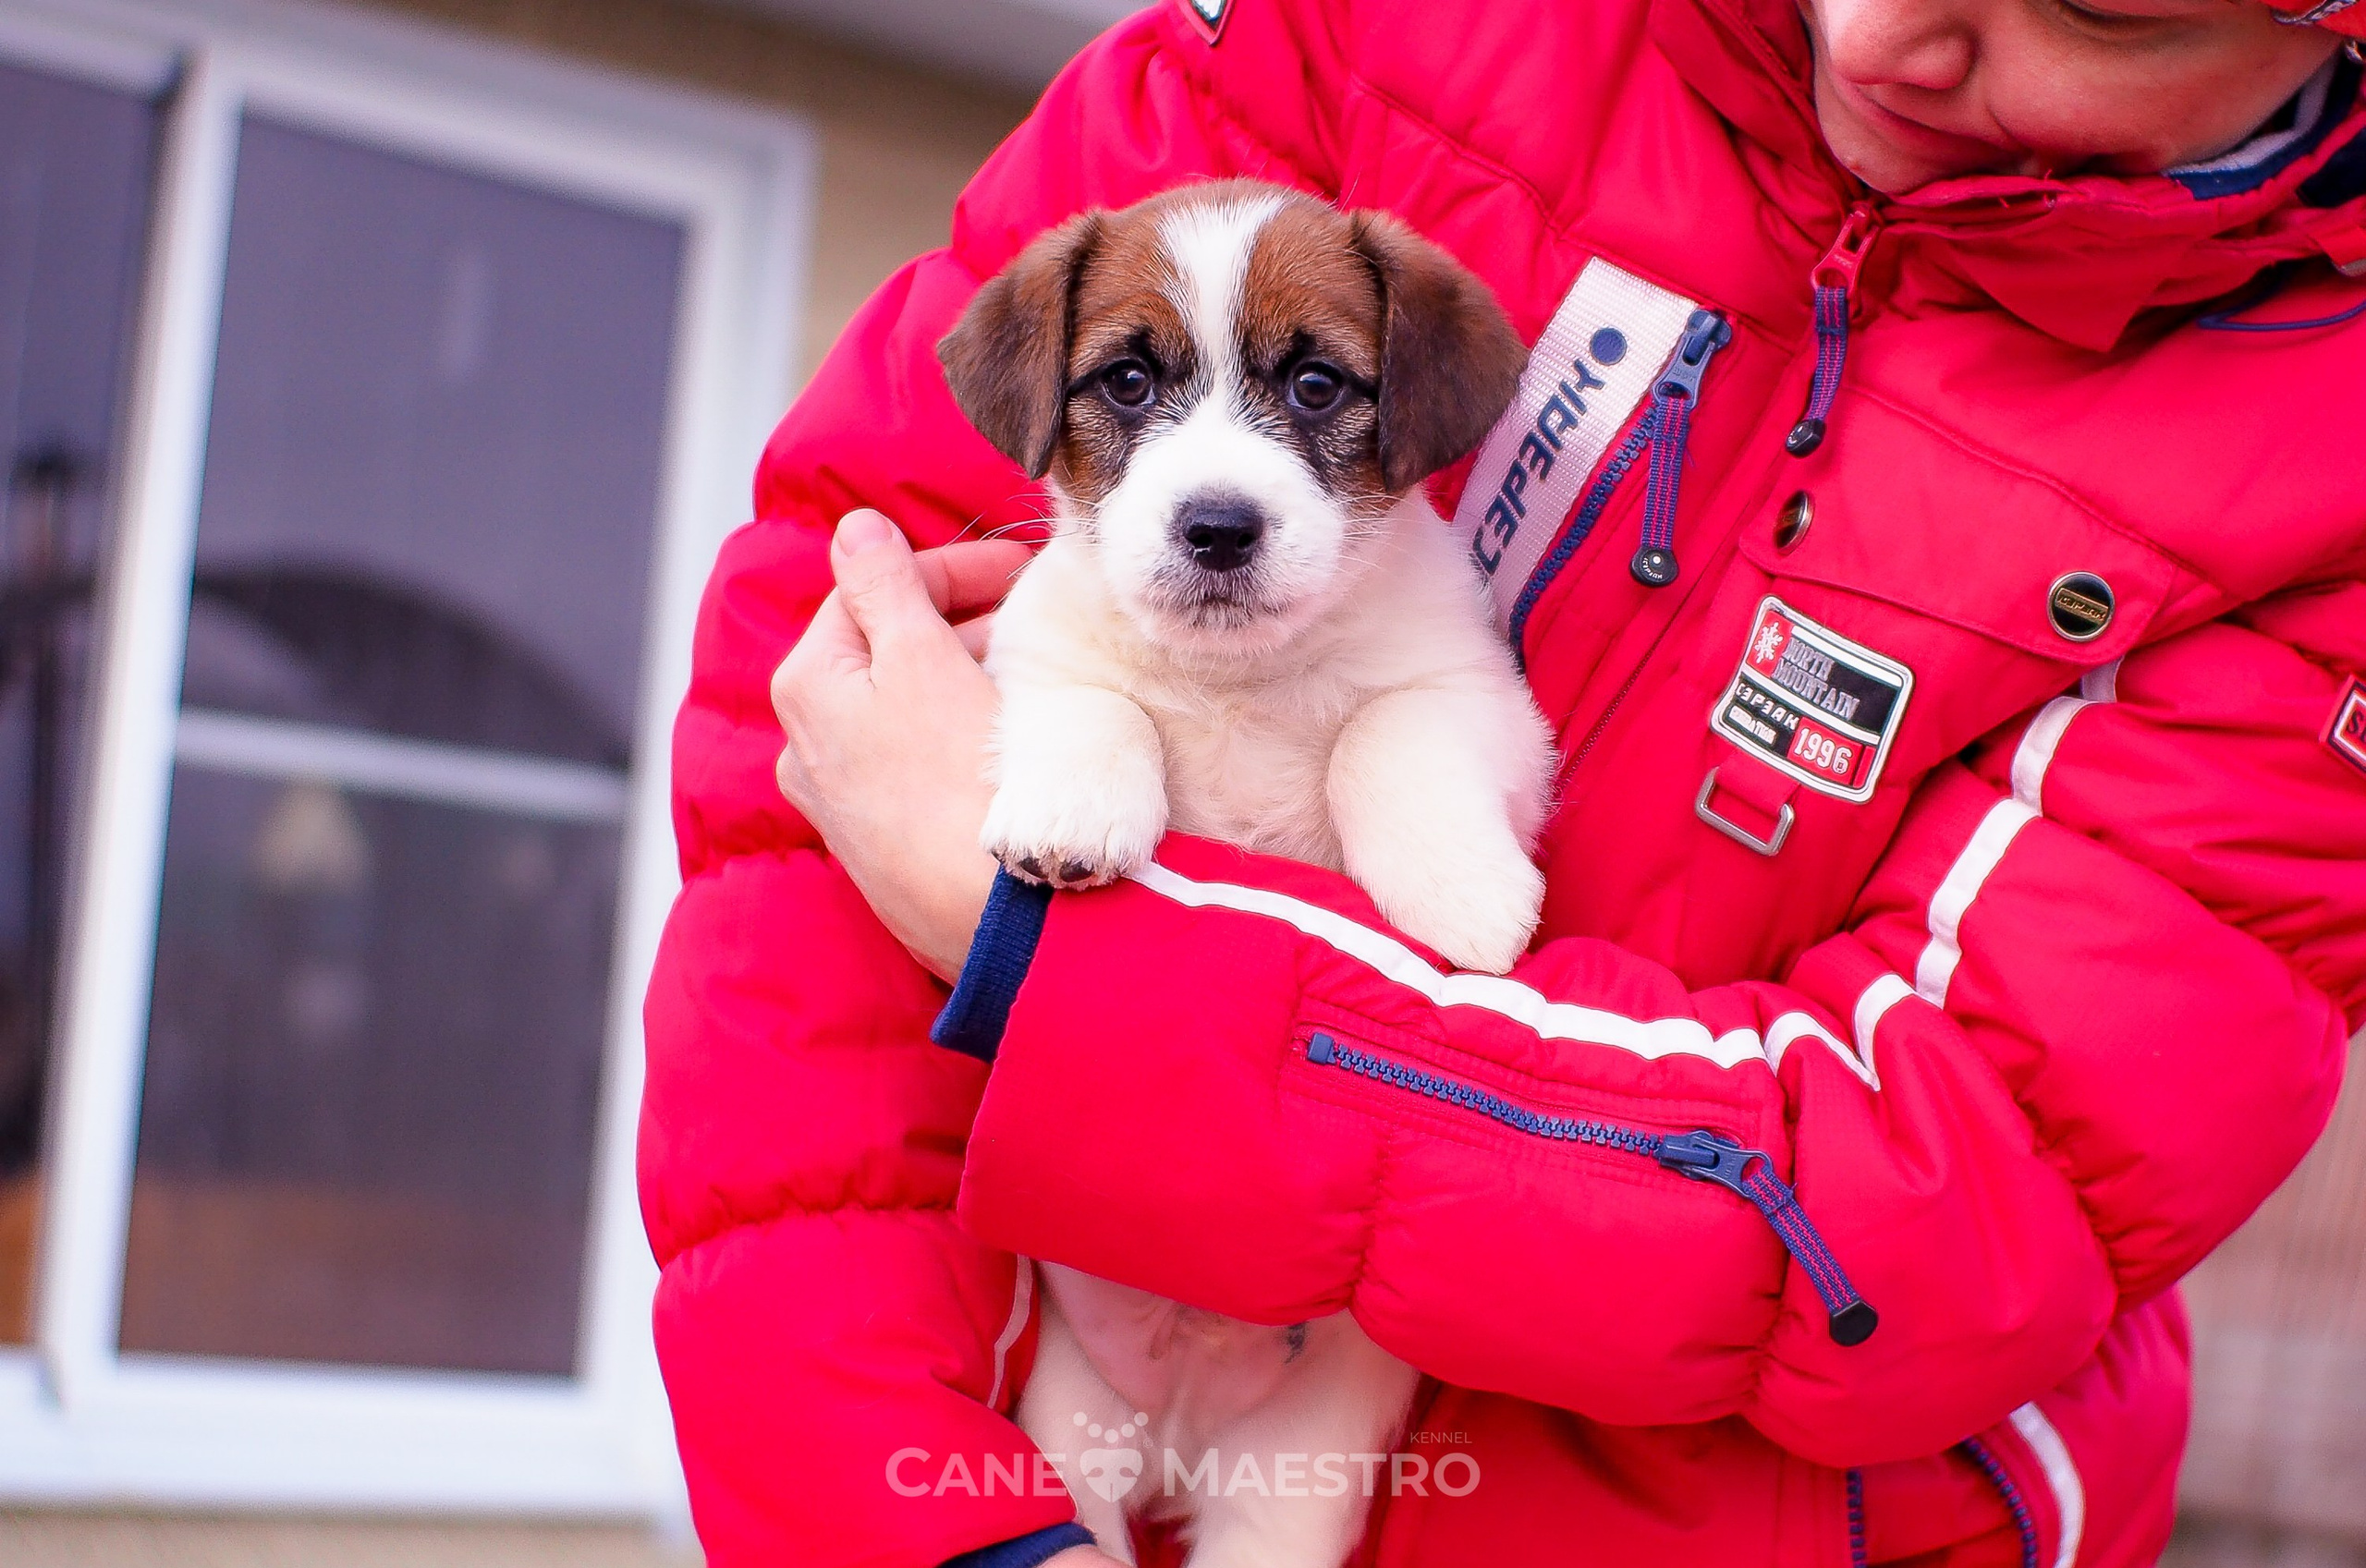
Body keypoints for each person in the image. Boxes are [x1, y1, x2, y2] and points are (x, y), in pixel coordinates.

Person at [639, 0, 2366, 1562]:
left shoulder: (2318, 484)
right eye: (1136, 396)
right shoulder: (1342, 48)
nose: (1880, 40)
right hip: (1070, 1333)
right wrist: (925, 1519)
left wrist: (1066, 960)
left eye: (2102, 3)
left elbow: (1935, 1202)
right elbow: (818, 778)